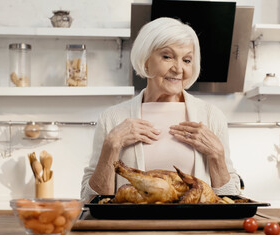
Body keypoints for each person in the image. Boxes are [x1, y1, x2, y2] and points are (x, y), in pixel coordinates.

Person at [81, 17, 241, 202]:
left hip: (195, 230)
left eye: (187, 60)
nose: (179, 68)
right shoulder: (112, 118)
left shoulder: (211, 116)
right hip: (133, 230)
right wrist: (111, 146)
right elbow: (89, 199)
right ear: (146, 60)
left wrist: (217, 156)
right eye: (167, 56)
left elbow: (232, 199)